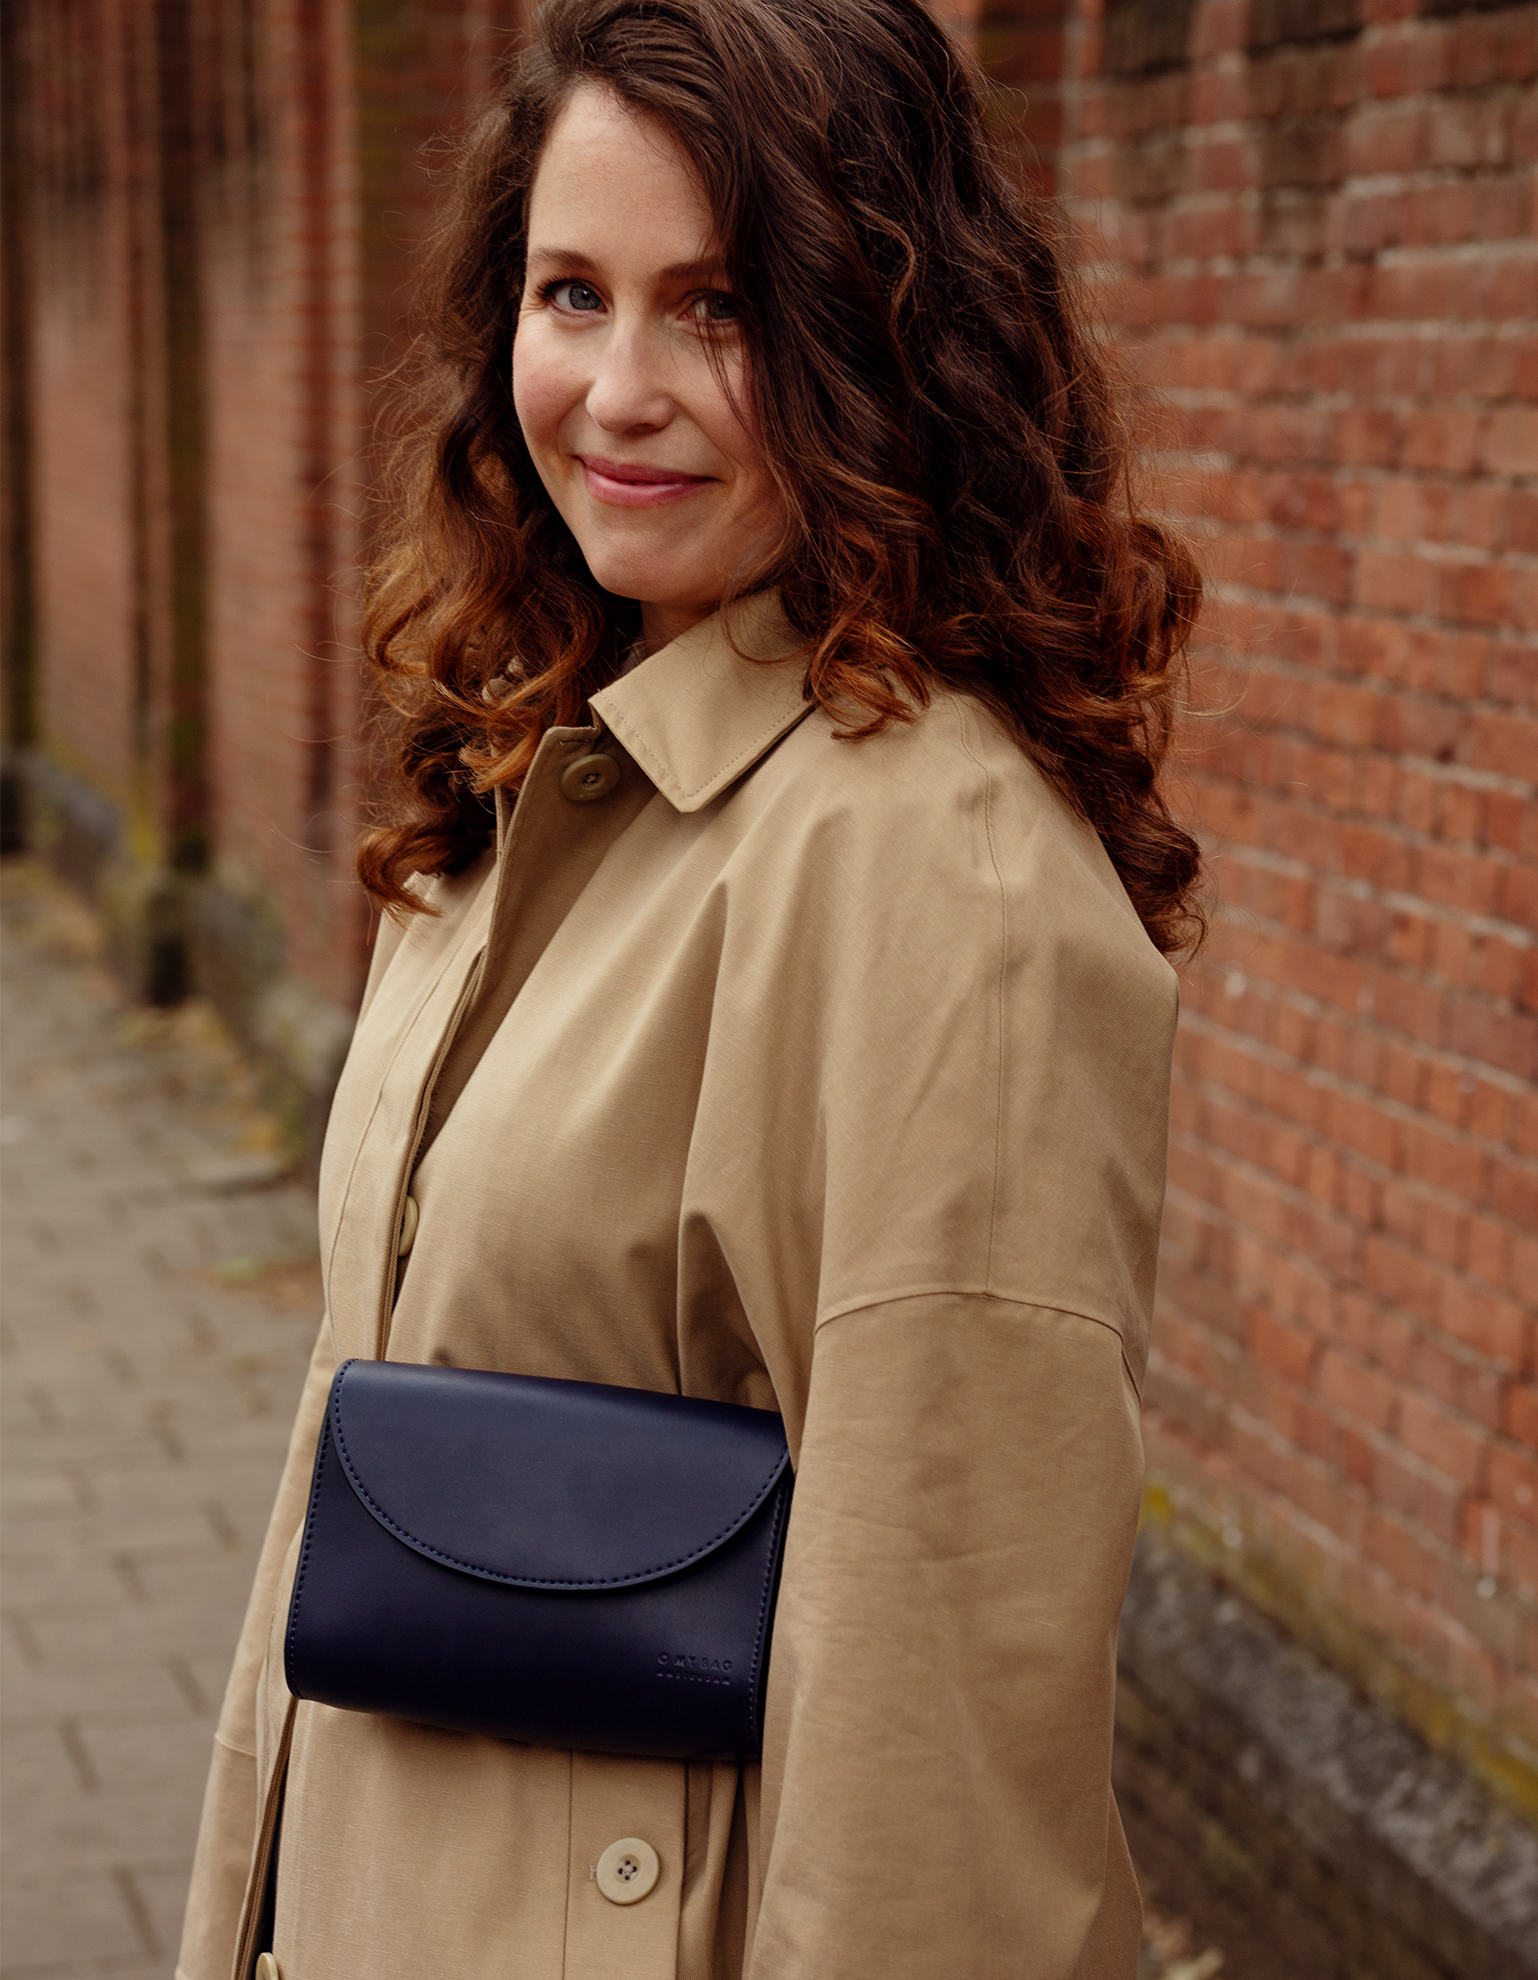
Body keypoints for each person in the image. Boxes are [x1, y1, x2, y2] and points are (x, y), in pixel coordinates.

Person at [178, 1, 1203, 1975]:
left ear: (878, 338)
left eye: (716, 309)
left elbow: (943, 1726)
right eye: (572, 294)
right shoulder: (535, 755)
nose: (617, 390)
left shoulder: (925, 866)